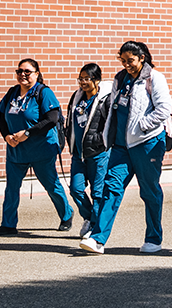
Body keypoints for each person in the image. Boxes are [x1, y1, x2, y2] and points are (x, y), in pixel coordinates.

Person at [79, 41, 172, 254]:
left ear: (142, 58)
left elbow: (164, 109)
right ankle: (98, 239)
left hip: (147, 143)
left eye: (130, 60)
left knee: (149, 191)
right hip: (121, 146)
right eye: (122, 60)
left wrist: (142, 126)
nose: (126, 64)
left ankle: (153, 239)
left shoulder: (154, 78)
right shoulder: (120, 78)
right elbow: (113, 109)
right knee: (110, 188)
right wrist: (107, 135)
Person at [0, 58, 73, 235]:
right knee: (12, 188)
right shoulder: (12, 93)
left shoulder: (43, 93)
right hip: (16, 151)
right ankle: (8, 224)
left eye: (27, 71)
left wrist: (27, 133)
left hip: (41, 150)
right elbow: (2, 118)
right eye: (19, 71)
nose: (23, 74)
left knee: (51, 185)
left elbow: (51, 120)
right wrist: (7, 136)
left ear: (36, 74)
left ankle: (66, 214)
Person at [64, 63, 112, 239]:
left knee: (97, 193)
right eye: (80, 78)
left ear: (97, 80)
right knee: (75, 189)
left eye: (87, 79)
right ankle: (89, 218)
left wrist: (100, 140)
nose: (83, 82)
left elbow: (110, 125)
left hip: (98, 153)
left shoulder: (104, 99)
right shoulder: (77, 97)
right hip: (78, 154)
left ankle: (95, 227)